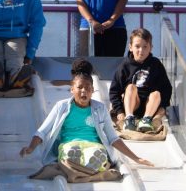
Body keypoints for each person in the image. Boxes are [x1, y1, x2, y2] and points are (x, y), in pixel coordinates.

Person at [19, 65, 153, 172]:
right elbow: (42, 131)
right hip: (69, 143)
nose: (84, 91)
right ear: (72, 89)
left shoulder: (100, 109)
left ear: (93, 91)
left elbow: (113, 138)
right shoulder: (62, 107)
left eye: (88, 88)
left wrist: (136, 158)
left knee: (97, 152)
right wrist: (31, 148)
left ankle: (90, 161)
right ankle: (75, 160)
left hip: (93, 145)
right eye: (79, 87)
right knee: (70, 150)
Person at [109, 28, 172, 132]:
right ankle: (129, 119)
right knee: (130, 87)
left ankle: (146, 120)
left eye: (145, 47)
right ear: (130, 47)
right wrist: (119, 111)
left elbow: (166, 88)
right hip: (133, 104)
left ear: (151, 48)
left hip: (150, 107)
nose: (141, 50)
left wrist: (163, 107)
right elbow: (114, 91)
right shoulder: (125, 66)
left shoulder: (156, 65)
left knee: (156, 93)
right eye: (137, 46)